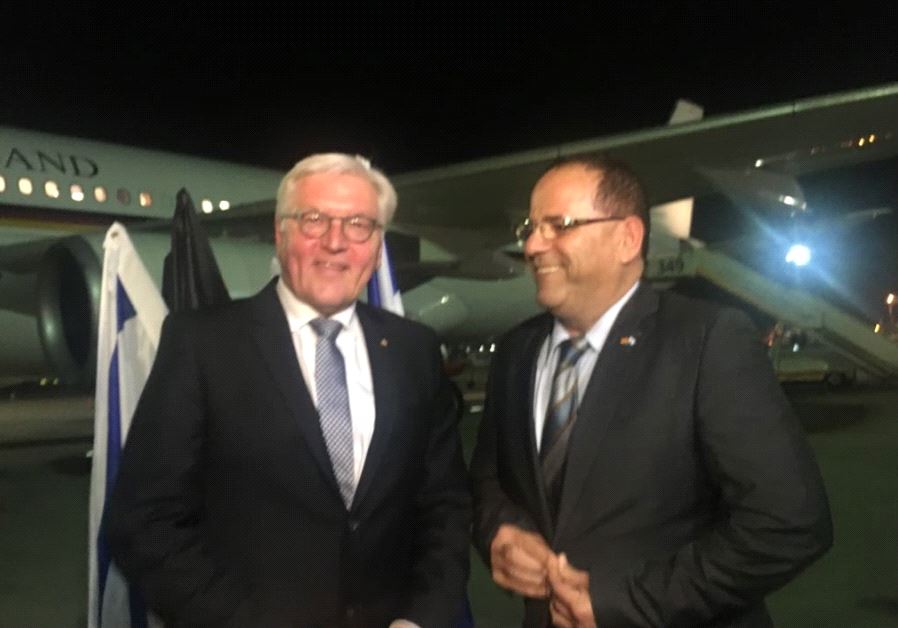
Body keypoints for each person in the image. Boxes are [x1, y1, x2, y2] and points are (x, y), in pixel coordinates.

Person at [106, 153, 471, 627]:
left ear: (378, 245)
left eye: (359, 224)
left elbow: (444, 505)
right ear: (281, 234)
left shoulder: (413, 350)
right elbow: (143, 523)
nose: (336, 242)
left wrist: (421, 619)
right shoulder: (202, 344)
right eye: (314, 220)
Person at [469, 156, 832, 627]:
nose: (534, 246)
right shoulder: (518, 351)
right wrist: (500, 530)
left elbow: (788, 522)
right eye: (530, 227)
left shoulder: (706, 340)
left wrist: (628, 601)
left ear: (628, 238)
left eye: (559, 225)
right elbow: (487, 478)